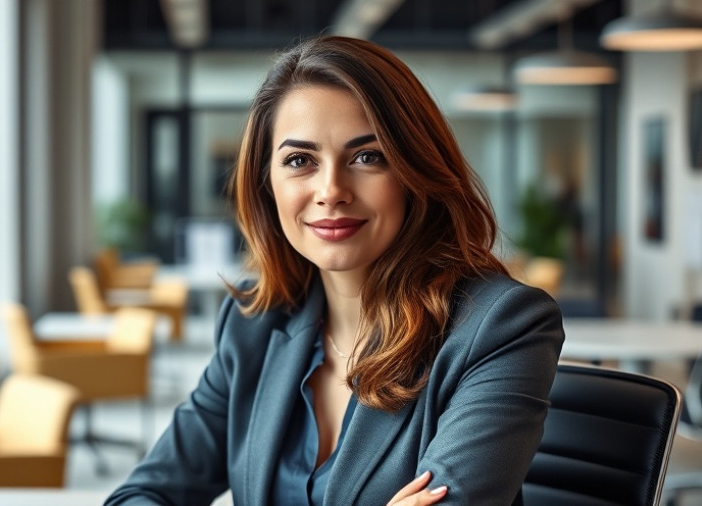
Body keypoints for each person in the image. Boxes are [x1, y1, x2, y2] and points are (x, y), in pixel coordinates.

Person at [104, 35, 564, 506]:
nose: (331, 190)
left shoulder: (501, 326)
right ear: (268, 186)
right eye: (300, 161)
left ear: (414, 171)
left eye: (368, 156)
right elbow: (140, 495)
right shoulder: (254, 322)